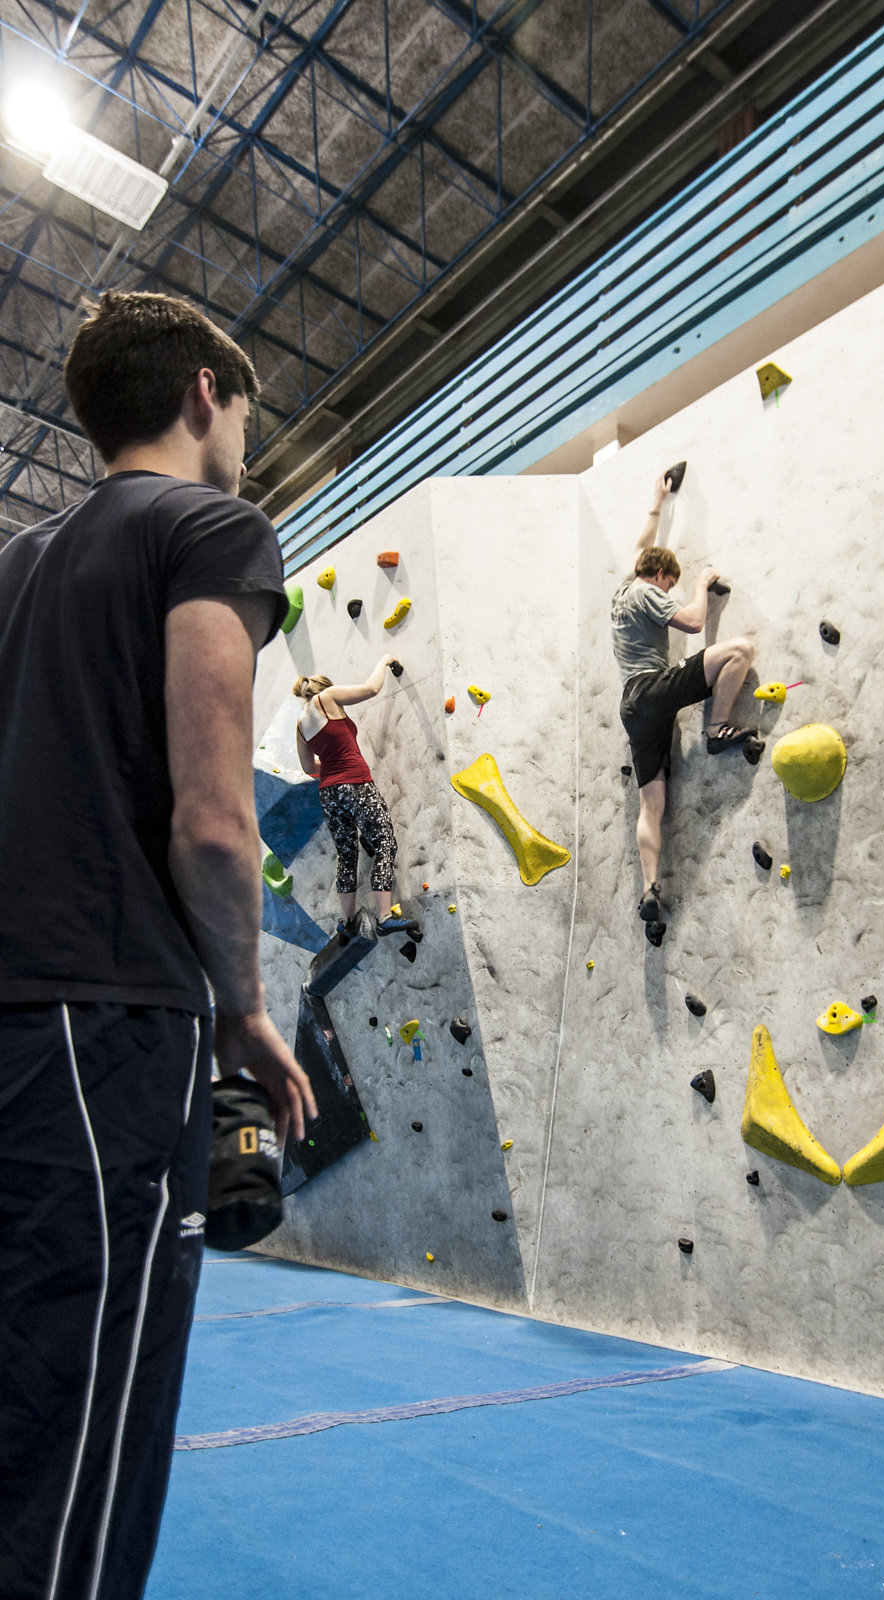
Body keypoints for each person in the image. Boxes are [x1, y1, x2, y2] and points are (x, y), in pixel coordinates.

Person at [0, 289, 317, 1600]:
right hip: (104, 1016)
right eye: (244, 411)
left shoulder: (16, 566)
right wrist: (242, 1003)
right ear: (204, 393)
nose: (244, 436)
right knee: (85, 1412)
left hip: (18, 1009)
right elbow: (210, 815)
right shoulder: (211, 527)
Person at [611, 469, 756, 942]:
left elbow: (643, 541)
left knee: (651, 803)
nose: (665, 593)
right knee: (739, 651)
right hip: (652, 687)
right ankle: (716, 730)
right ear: (659, 577)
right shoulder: (647, 590)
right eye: (666, 583)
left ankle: (650, 888)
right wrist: (700, 583)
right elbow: (693, 623)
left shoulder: (623, 587)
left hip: (633, 708)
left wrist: (660, 500)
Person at [293, 666, 419, 936]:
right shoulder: (327, 697)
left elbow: (307, 767)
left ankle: (347, 923)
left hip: (329, 792)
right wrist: (386, 660)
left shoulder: (301, 725)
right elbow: (371, 689)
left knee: (347, 856)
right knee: (385, 841)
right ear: (324, 687)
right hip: (355, 783)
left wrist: (331, 766)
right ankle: (384, 917)